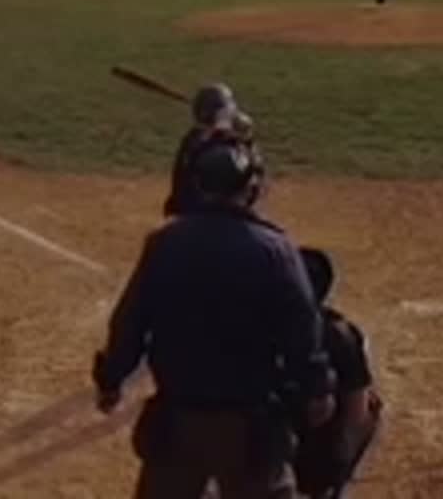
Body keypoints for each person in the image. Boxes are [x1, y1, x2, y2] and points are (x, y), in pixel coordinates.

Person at [94, 141, 335, 499]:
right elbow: (301, 330)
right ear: (250, 189)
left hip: (179, 416)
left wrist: (111, 379)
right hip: (249, 422)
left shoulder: (165, 243)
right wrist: (316, 388)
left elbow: (130, 320)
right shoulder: (275, 250)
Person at [290, 247, 382, 499]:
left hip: (260, 452)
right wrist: (341, 457)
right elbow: (358, 408)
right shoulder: (338, 333)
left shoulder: (260, 324)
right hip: (313, 461)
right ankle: (331, 487)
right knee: (370, 404)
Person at [164, 83, 256, 218]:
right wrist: (245, 133)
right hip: (216, 212)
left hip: (188, 211)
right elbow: (253, 169)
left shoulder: (191, 140)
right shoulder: (228, 143)